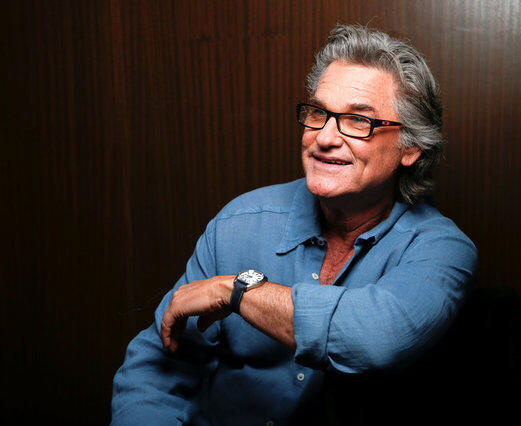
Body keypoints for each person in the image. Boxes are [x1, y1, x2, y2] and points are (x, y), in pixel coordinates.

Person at [111, 24, 477, 425]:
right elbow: (157, 370)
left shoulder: (441, 248)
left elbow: (376, 338)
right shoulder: (239, 223)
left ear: (411, 147)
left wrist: (235, 291)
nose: (324, 138)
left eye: (358, 120)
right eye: (319, 113)